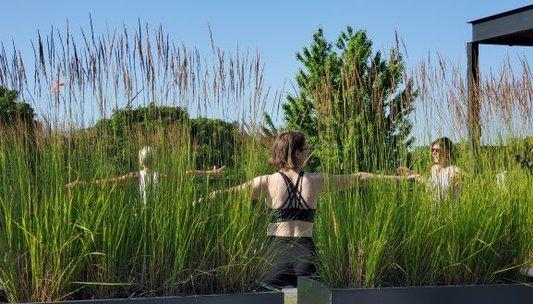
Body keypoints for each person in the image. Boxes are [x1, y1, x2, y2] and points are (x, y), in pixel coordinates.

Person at [201, 131, 421, 287]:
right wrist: (401, 179)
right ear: (296, 153)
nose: (308, 152)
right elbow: (360, 178)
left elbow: (226, 194)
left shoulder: (265, 181)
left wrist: (198, 202)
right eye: (305, 149)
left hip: (274, 254)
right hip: (306, 253)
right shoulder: (315, 181)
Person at [67, 146, 226, 204]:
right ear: (155, 160)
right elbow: (188, 174)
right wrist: (211, 173)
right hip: (157, 215)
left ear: (140, 159)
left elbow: (107, 182)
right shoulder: (161, 176)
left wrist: (81, 183)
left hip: (142, 216)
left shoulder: (135, 176)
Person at [397, 137, 463, 201]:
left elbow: (440, 189)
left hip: (448, 210)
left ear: (447, 152)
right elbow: (431, 181)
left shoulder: (455, 170)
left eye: (437, 150)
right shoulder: (434, 168)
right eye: (432, 150)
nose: (434, 153)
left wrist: (418, 177)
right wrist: (410, 172)